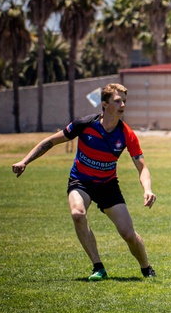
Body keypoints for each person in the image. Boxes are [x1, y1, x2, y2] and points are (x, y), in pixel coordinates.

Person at [12, 83, 157, 281]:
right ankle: (98, 266)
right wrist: (25, 161)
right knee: (77, 214)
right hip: (80, 181)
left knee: (128, 233)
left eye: (124, 101)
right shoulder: (85, 124)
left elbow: (143, 168)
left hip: (107, 185)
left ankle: (146, 268)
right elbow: (50, 142)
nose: (123, 104)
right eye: (117, 101)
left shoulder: (126, 134)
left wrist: (147, 189)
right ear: (105, 104)